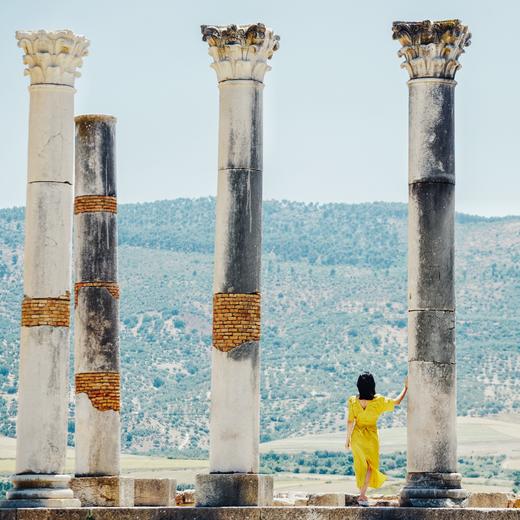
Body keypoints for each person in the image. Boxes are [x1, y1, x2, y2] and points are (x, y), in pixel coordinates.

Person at [345, 372, 408, 506]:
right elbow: (397, 401)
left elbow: (350, 422)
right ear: (372, 385)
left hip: (357, 436)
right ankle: (362, 495)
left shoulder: (352, 400)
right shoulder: (378, 401)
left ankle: (361, 494)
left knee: (359, 464)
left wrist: (347, 440)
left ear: (358, 386)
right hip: (371, 437)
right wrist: (406, 388)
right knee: (370, 466)